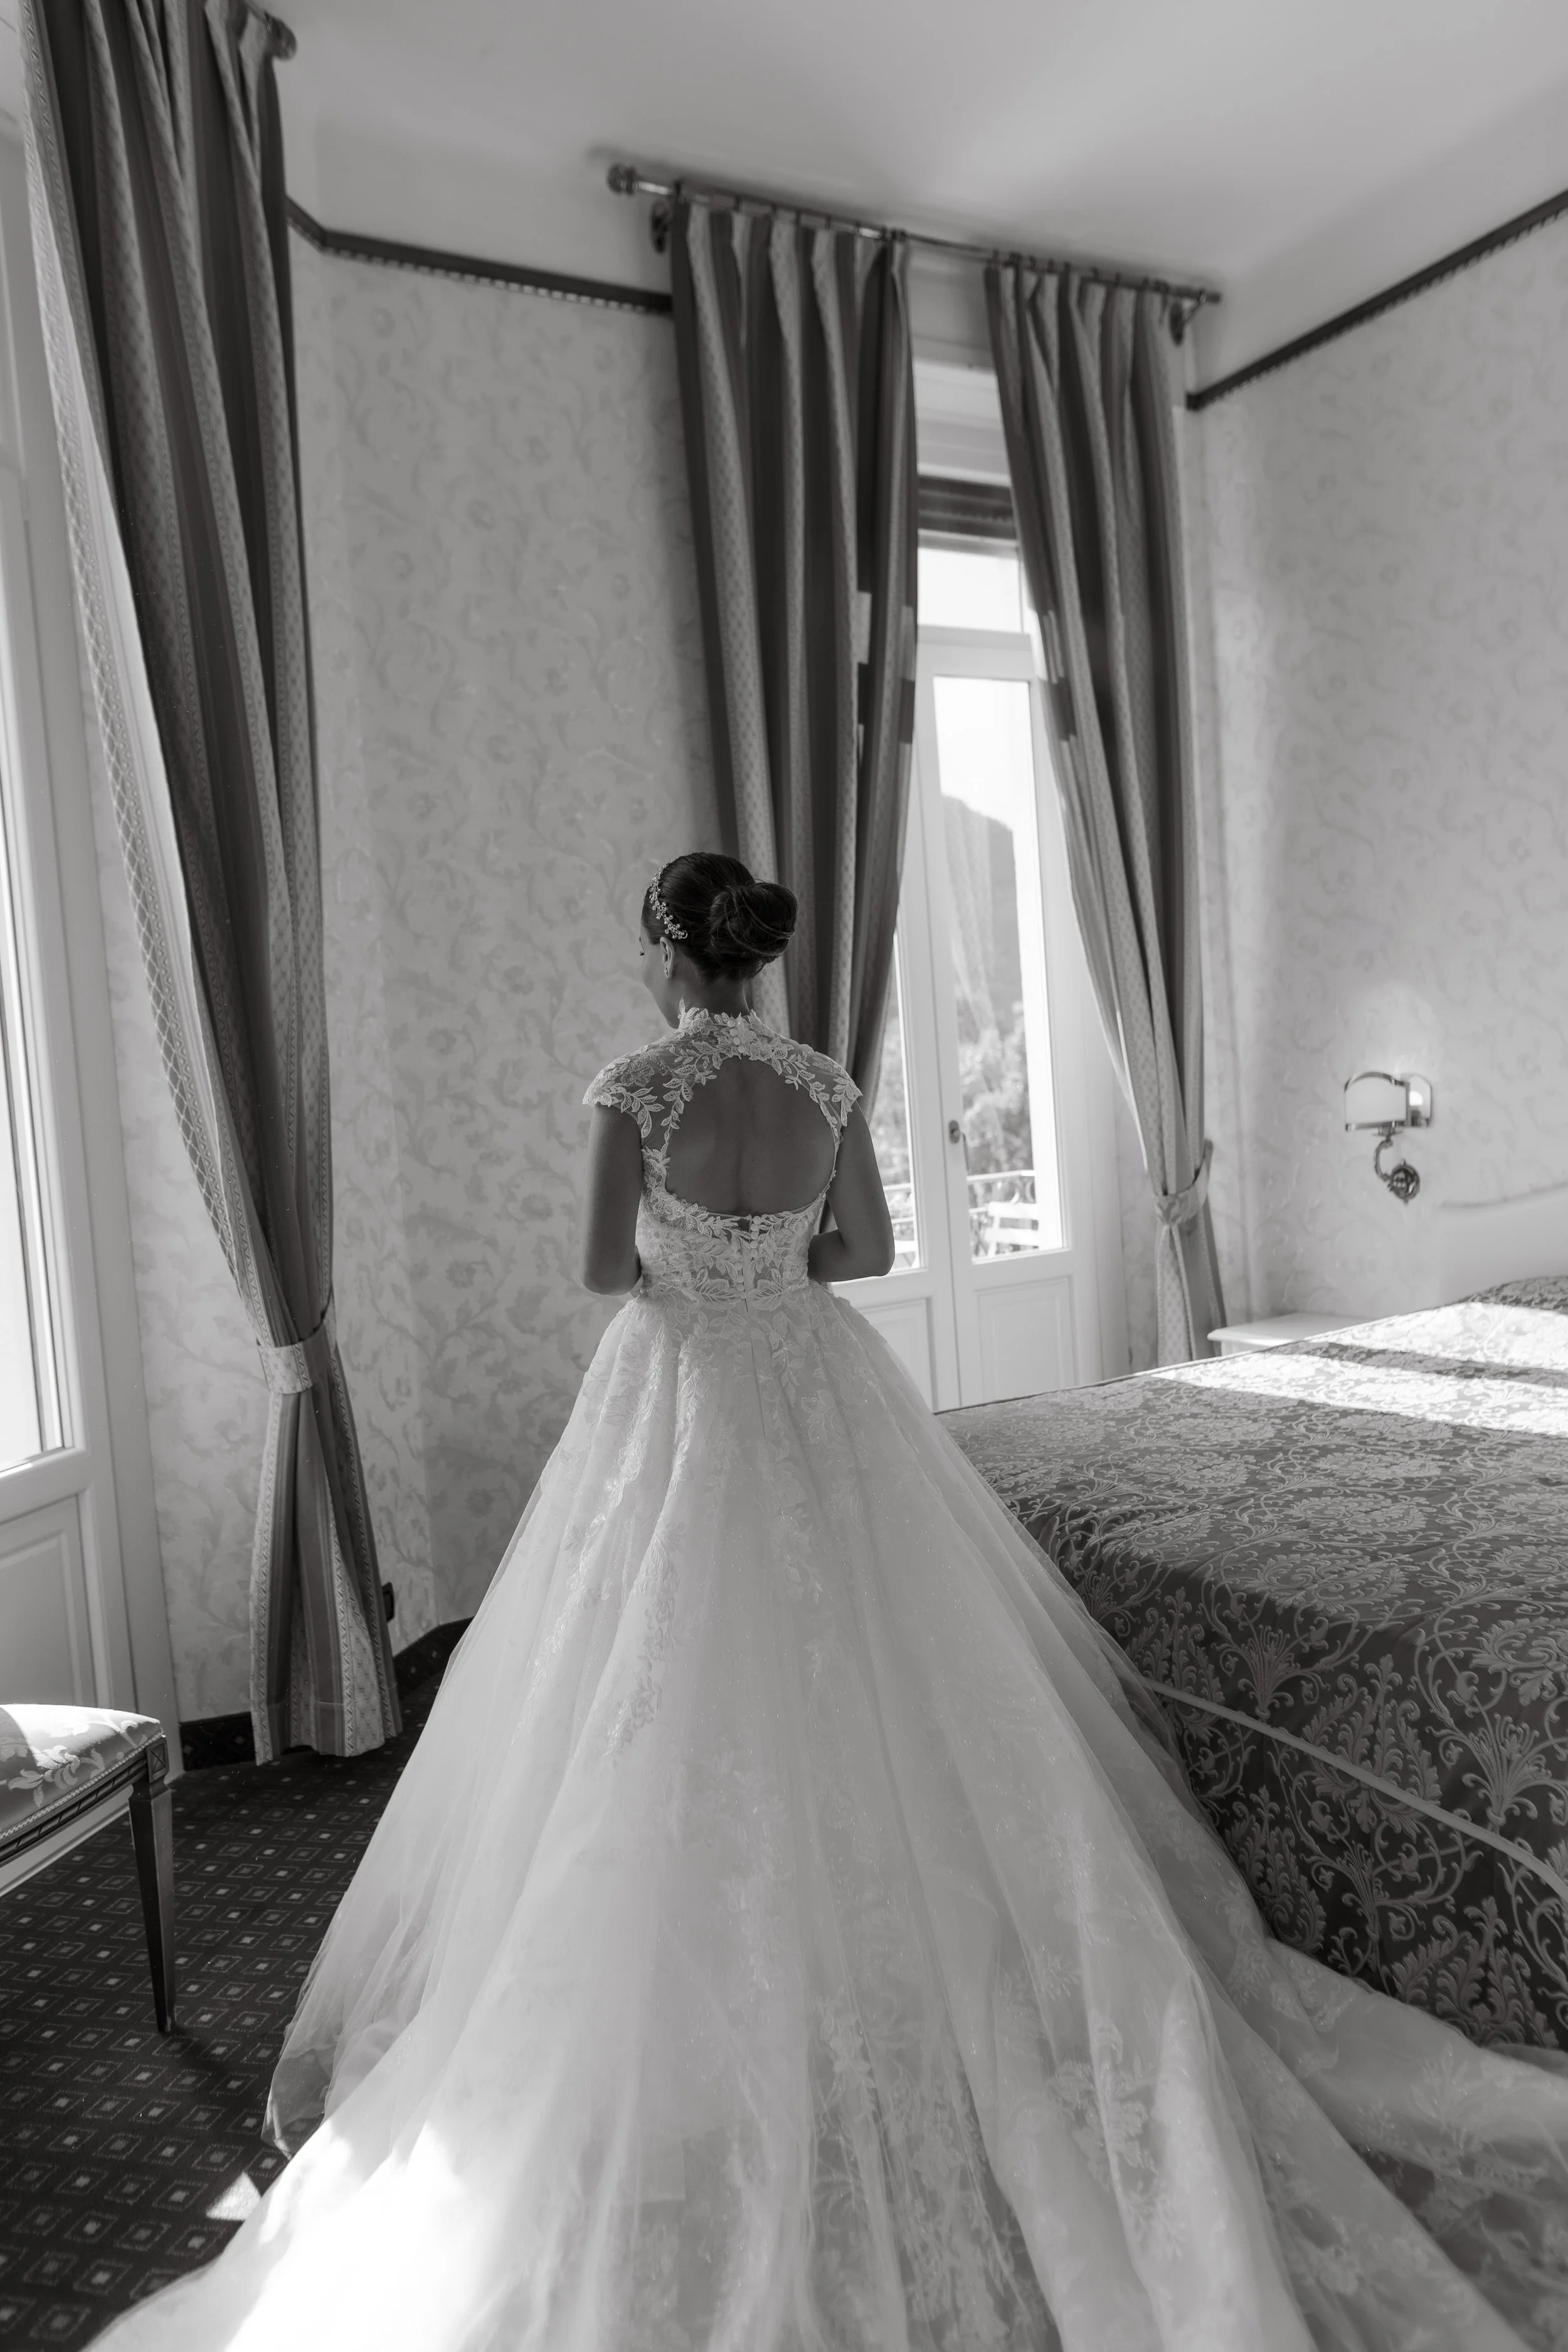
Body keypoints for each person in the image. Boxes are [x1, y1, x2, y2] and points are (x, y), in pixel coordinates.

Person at [93, 852, 1568, 2351]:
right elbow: (857, 1252)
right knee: (876, 1654)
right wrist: (770, 1267)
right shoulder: (822, 1085)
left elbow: (607, 1267)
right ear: (756, 960)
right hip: (810, 1378)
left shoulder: (635, 1088)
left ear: (667, 954)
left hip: (679, 1389)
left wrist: (695, 1272)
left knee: (645, 1677)